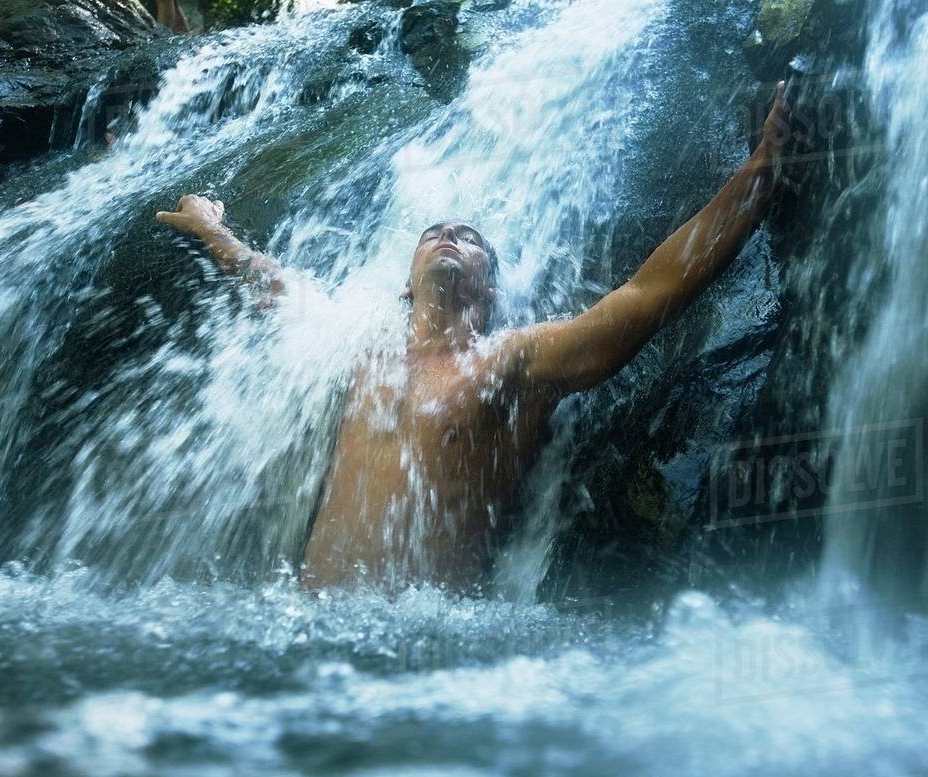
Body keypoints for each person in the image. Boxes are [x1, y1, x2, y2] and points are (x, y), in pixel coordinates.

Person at [156, 83, 790, 593]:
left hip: (421, 656)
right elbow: (278, 289)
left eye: (471, 239)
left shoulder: (512, 363)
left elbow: (644, 296)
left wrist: (759, 176)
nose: (450, 235)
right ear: (406, 284)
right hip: (308, 635)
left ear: (487, 292)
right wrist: (215, 230)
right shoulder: (358, 348)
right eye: (435, 231)